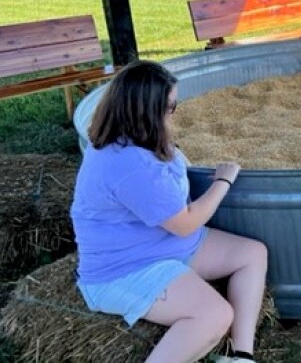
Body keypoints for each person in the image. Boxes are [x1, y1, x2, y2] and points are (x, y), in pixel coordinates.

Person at [71, 60, 268, 363]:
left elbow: (175, 168)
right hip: (127, 269)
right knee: (215, 315)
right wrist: (222, 182)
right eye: (170, 107)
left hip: (160, 245)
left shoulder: (137, 137)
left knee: (252, 254)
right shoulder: (127, 164)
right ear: (147, 112)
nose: (173, 113)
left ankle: (242, 356)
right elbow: (185, 223)